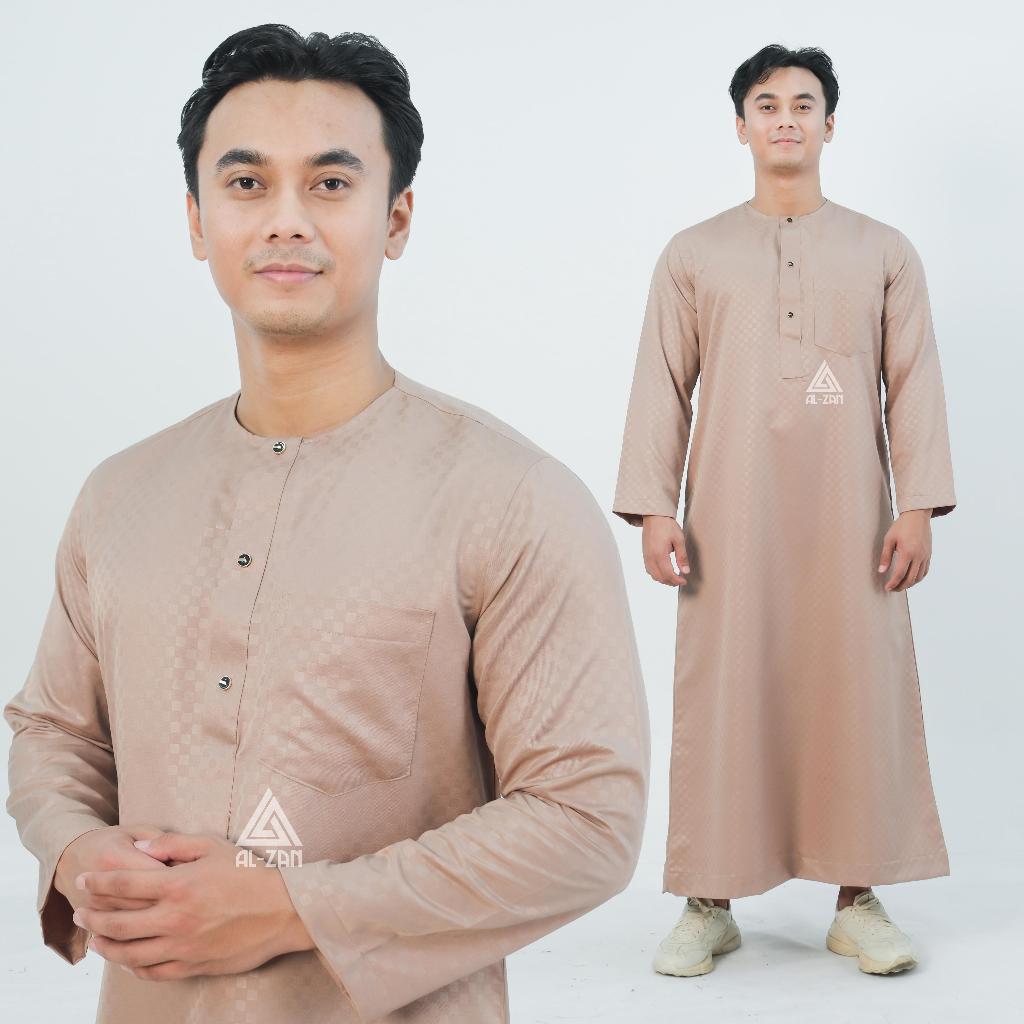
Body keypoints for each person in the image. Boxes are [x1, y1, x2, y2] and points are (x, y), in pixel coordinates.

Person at [4, 25, 651, 1023]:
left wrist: (292, 909)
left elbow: (587, 819)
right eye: (247, 183)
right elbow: (53, 732)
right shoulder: (119, 495)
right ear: (196, 218)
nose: (286, 221)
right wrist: (75, 846)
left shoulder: (510, 497)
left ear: (396, 218)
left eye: (331, 183)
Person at [611, 43, 956, 979]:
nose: (787, 118)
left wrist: (919, 503)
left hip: (855, 518)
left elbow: (913, 381)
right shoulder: (694, 253)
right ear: (741, 126)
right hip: (729, 516)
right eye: (767, 104)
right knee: (725, 687)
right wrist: (653, 508)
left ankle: (857, 900)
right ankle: (708, 902)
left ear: (830, 124)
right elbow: (662, 384)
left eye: (804, 103)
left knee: (858, 686)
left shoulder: (884, 250)